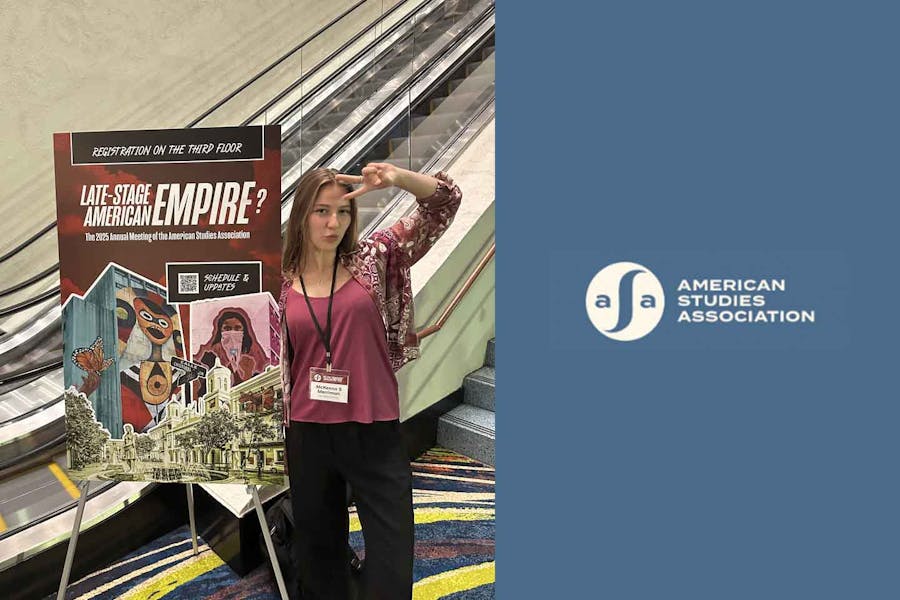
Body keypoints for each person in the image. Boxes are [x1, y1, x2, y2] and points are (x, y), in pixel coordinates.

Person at [280, 163, 461, 600]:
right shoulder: (278, 284)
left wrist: (397, 177)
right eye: (321, 211)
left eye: (342, 212)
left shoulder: (374, 259)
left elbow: (443, 204)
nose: (332, 223)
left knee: (391, 551)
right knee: (319, 550)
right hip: (307, 431)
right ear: (301, 215)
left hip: (373, 424)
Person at [195, 306, 270, 387]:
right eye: (227, 328)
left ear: (244, 331)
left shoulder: (254, 352)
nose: (232, 332)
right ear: (220, 331)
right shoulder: (209, 356)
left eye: (237, 328)